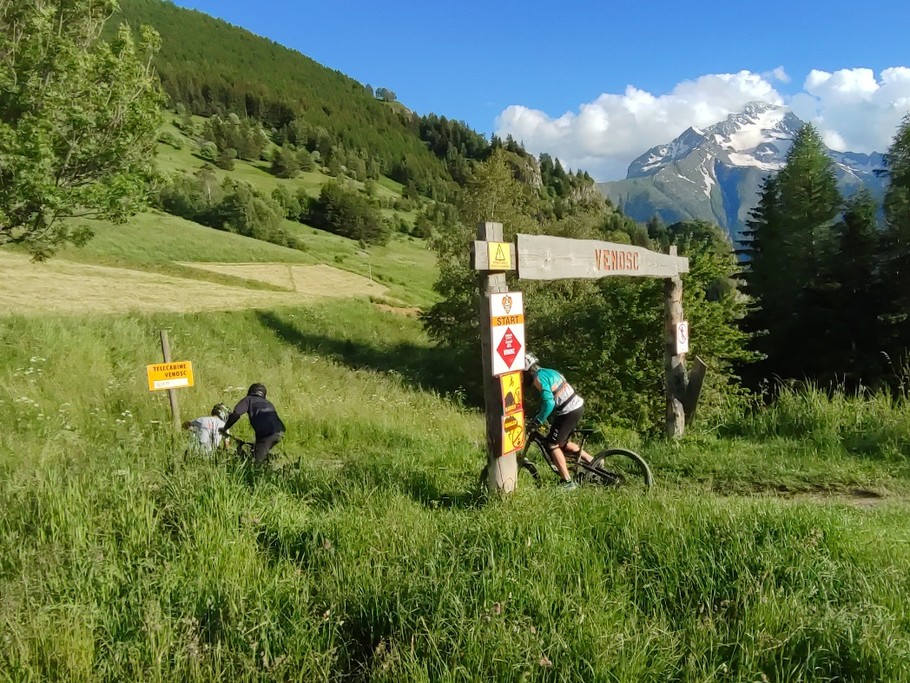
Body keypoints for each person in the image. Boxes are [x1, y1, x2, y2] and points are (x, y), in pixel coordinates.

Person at [523, 352, 593, 491]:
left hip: (569, 411)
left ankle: (568, 482)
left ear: (527, 371)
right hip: (576, 407)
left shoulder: (538, 378)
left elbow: (549, 403)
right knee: (562, 443)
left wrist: (538, 420)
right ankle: (594, 461)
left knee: (552, 445)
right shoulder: (547, 371)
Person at [220, 383, 286, 463]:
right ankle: (270, 461)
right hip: (280, 431)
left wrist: (225, 428)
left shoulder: (248, 399)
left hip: (267, 433)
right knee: (259, 451)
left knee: (256, 462)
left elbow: (236, 415)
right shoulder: (268, 403)